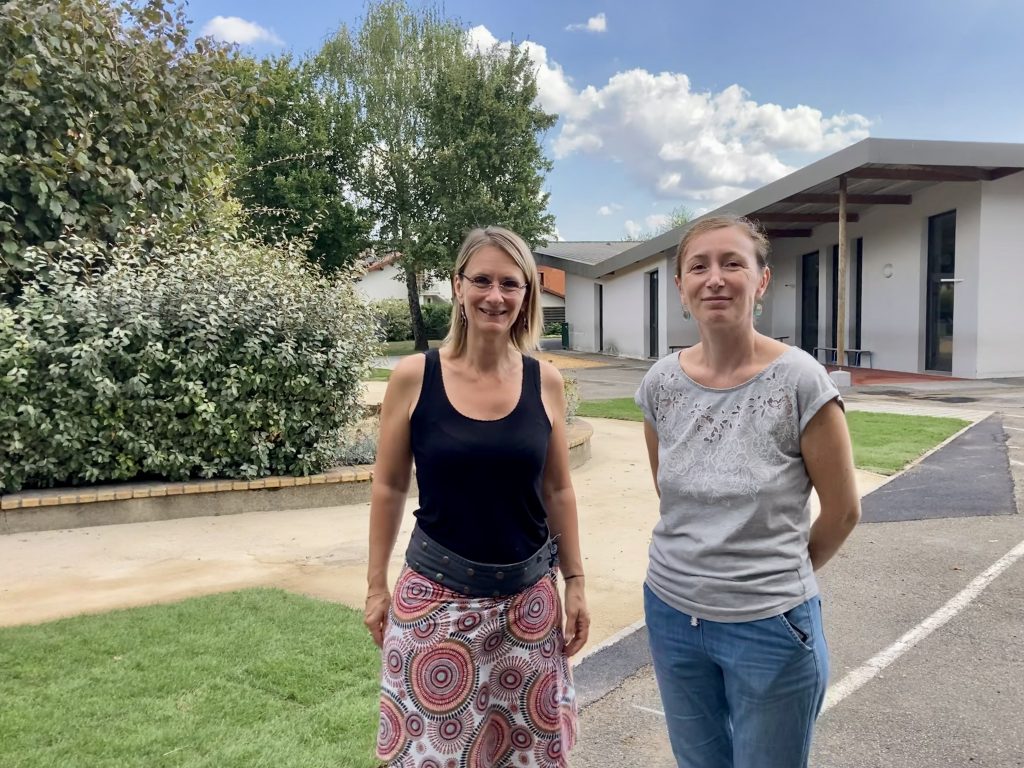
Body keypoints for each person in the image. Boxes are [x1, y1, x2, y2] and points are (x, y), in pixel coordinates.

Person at [634, 214, 861, 768]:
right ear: (682, 287)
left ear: (760, 281)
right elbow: (670, 495)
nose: (716, 278)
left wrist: (775, 572)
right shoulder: (660, 384)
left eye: (733, 263)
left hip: (770, 628)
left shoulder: (800, 383)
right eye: (699, 266)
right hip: (670, 616)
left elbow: (844, 511)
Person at [365, 226, 590, 768]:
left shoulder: (546, 382)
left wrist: (577, 582)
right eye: (482, 280)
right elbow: (390, 484)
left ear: (527, 293)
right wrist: (375, 584)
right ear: (458, 287)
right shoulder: (415, 376)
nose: (495, 295)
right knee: (431, 757)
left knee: (527, 757)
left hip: (528, 610)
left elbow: (558, 487)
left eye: (510, 283)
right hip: (436, 605)